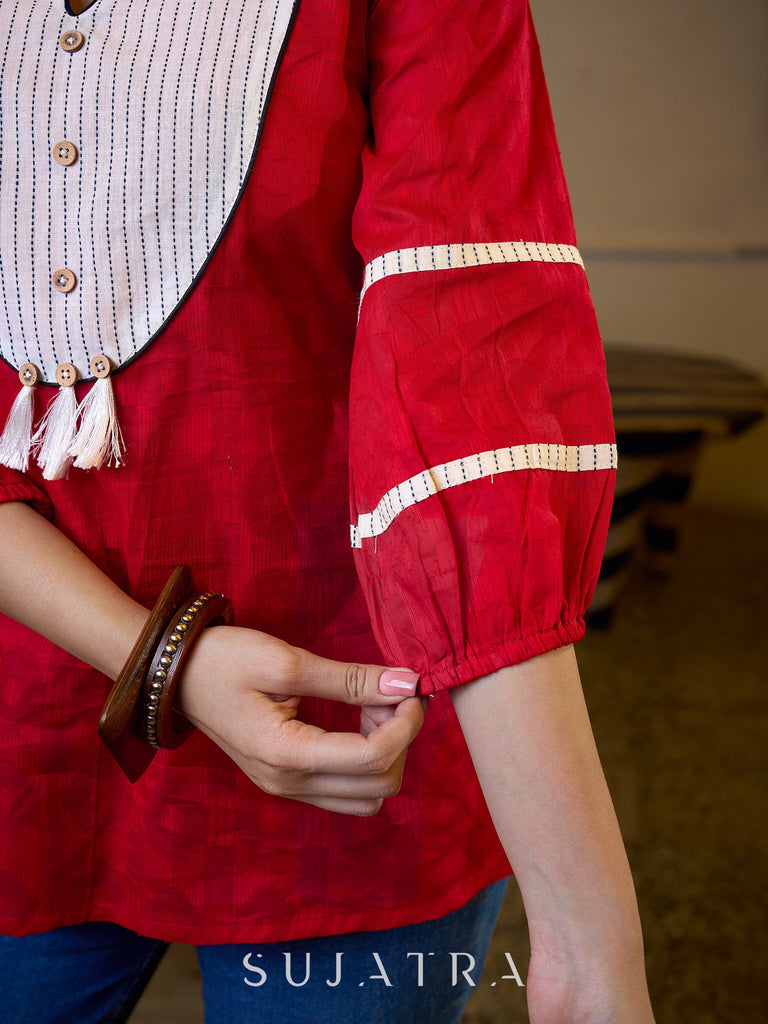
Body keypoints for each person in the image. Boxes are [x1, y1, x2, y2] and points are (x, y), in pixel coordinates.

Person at [0, 0, 655, 1021]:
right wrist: (172, 660)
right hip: (21, 730)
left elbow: (474, 390)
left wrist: (586, 940)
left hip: (347, 724)